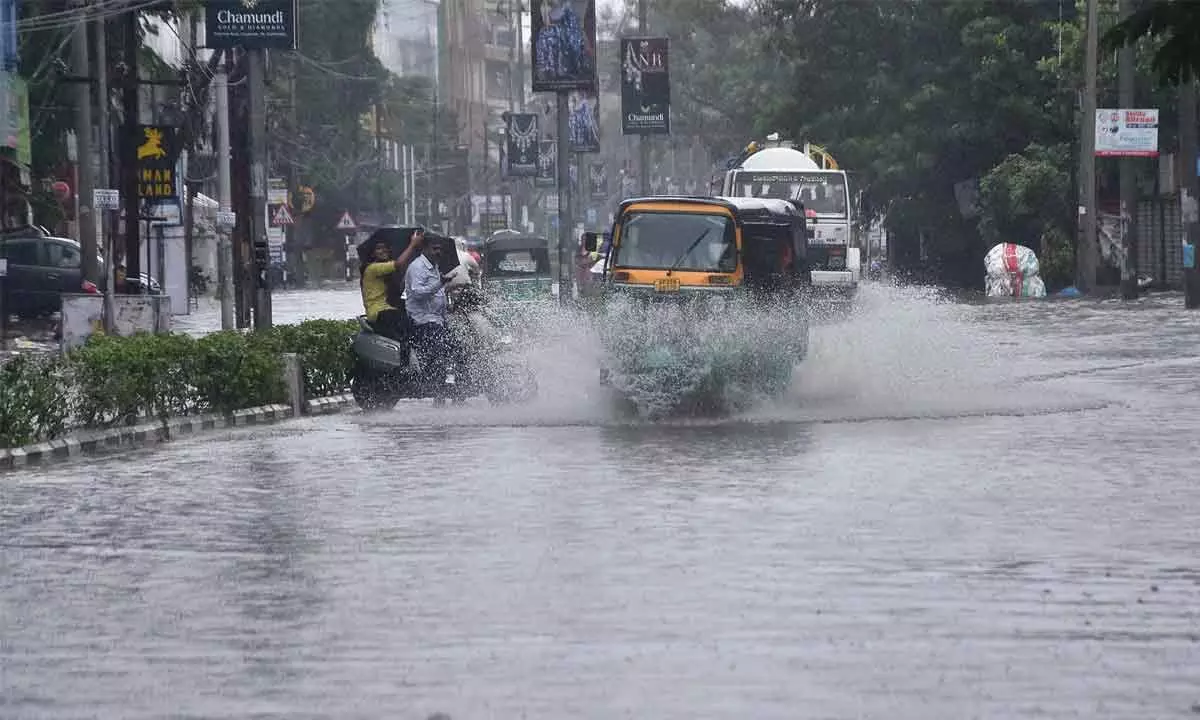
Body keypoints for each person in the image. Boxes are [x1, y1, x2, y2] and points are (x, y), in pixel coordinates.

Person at [404, 237, 470, 391]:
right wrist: (440, 283)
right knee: (445, 349)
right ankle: (442, 385)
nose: (438, 252)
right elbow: (418, 293)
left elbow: (437, 293)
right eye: (434, 248)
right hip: (422, 321)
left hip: (437, 319)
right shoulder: (417, 267)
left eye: (439, 249)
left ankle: (450, 388)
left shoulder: (434, 267)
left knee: (459, 347)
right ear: (425, 249)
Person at [360, 229, 425, 342]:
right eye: (379, 248)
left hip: (388, 308)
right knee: (406, 328)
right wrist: (412, 244)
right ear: (372, 253)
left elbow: (399, 291)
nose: (383, 250)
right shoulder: (372, 268)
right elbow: (398, 264)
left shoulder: (386, 272)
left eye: (385, 248)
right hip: (378, 311)